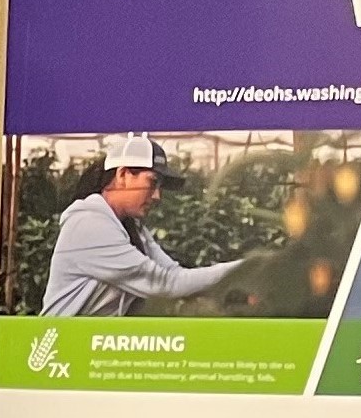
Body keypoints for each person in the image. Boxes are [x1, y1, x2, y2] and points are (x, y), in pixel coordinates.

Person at [39, 134, 253, 316]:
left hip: (90, 344)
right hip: (61, 347)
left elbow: (173, 273)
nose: (157, 196)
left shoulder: (130, 226)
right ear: (123, 175)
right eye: (152, 183)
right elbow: (166, 284)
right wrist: (251, 268)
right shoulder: (89, 224)